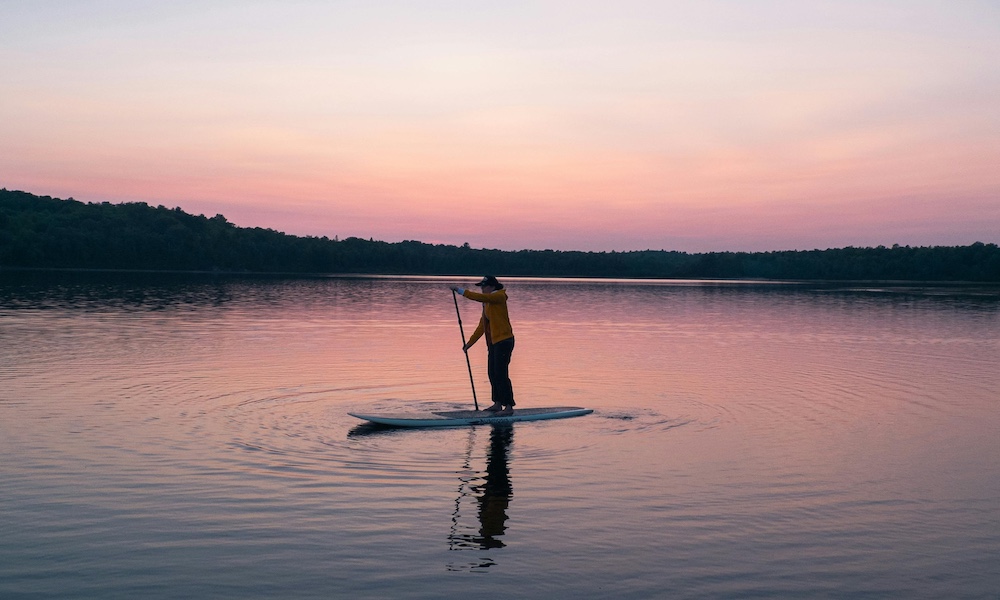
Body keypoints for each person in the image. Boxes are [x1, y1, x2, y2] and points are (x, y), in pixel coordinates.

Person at [450, 276, 516, 414]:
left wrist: (460, 291)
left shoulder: (499, 297)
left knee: (501, 373)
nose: (482, 289)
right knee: (492, 372)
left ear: (492, 286)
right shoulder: (487, 304)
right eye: (481, 287)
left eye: (484, 286)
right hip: (493, 343)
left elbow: (481, 298)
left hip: (504, 341)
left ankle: (508, 406)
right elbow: (482, 326)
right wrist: (469, 344)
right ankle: (497, 404)